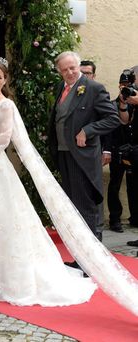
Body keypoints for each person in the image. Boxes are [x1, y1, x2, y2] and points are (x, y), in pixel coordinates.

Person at [0, 56, 138, 316]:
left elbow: (4, 140)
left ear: (5, 80)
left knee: (1, 218)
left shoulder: (6, 106)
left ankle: (72, 260)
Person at [48, 51, 120, 268]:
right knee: (73, 210)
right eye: (64, 69)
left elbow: (112, 118)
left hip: (83, 158)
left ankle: (94, 263)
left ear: (78, 67)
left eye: (72, 68)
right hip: (63, 155)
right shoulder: (61, 87)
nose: (69, 72)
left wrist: (88, 130)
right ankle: (81, 259)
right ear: (59, 71)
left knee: (85, 208)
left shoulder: (94, 89)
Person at [80, 60, 111, 240]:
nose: (84, 76)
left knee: (95, 190)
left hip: (94, 151)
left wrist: (107, 150)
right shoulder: (73, 92)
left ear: (94, 75)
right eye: (81, 72)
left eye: (88, 73)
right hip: (76, 153)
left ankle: (97, 229)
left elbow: (108, 122)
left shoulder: (97, 90)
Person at [107, 69, 138, 234]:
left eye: (129, 85)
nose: (126, 88)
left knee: (134, 186)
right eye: (124, 85)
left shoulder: (136, 103)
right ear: (119, 85)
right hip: (117, 150)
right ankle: (115, 219)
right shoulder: (112, 104)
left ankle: (135, 218)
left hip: (134, 151)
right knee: (115, 185)